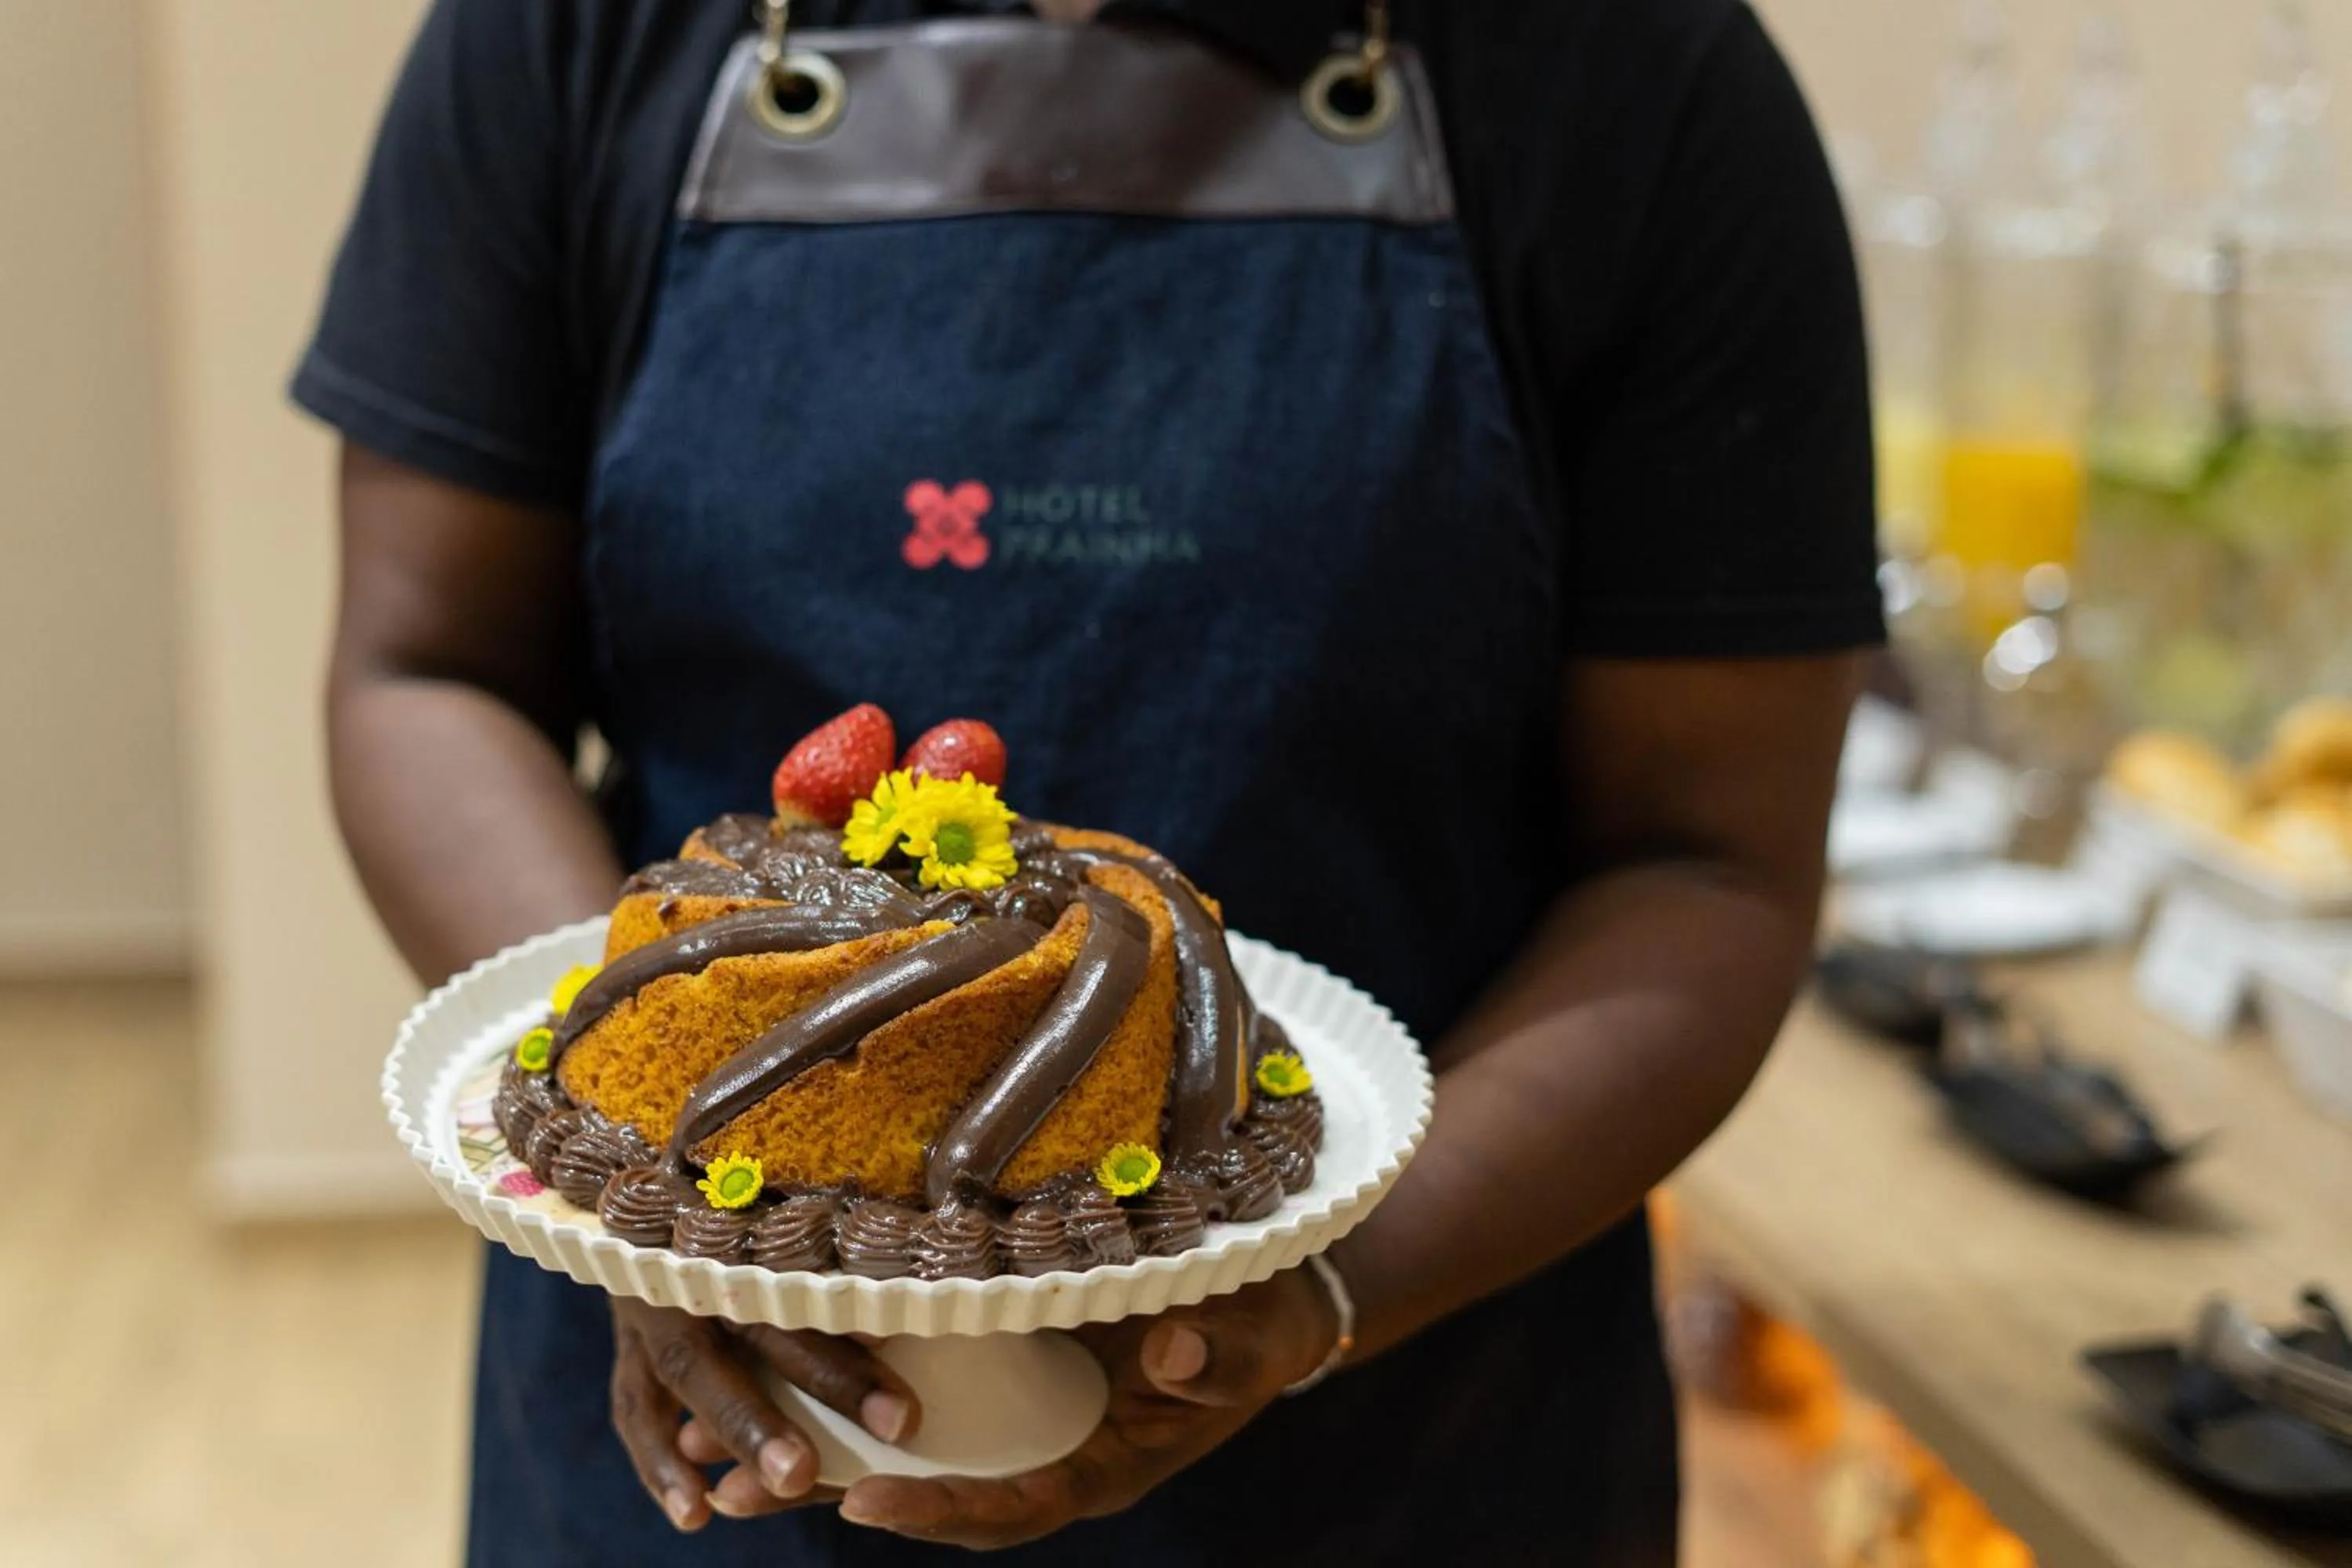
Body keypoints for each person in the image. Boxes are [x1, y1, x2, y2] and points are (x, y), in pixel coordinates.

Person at [301, 0, 1880, 1561]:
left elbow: (1705, 862)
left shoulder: (1642, 82)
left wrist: (1334, 1280)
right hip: (712, 1437)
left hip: (1416, 1438)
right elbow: (427, 672)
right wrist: (659, 1200)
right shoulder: (572, 35)